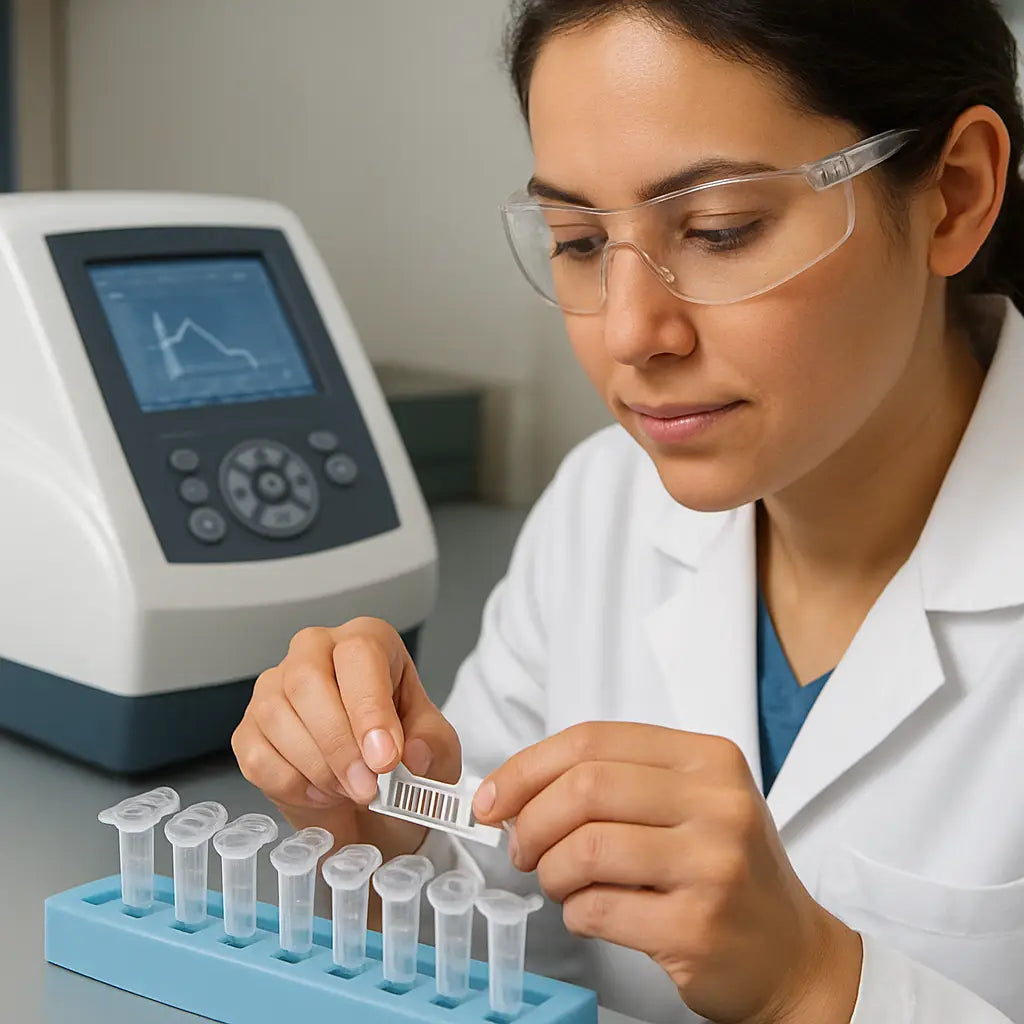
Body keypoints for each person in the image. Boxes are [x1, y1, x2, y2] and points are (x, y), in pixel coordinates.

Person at [231, 1, 1024, 1021]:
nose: (631, 331)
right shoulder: (602, 509)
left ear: (955, 195)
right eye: (577, 241)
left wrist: (813, 983)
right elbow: (508, 943)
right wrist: (382, 842)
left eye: (718, 230)